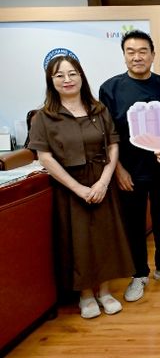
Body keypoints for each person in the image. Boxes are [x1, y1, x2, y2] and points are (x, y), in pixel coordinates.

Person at [28, 55, 134, 319]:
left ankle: (105, 292)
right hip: (69, 186)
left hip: (102, 181)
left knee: (106, 238)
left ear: (81, 77)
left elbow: (113, 146)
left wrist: (104, 182)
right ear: (51, 81)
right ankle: (85, 295)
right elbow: (45, 157)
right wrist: (78, 188)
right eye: (60, 75)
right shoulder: (43, 117)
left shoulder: (98, 109)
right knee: (79, 242)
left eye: (72, 73)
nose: (67, 80)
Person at [99, 30, 160, 304]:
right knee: (134, 223)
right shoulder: (110, 88)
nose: (137, 57)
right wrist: (119, 169)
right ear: (124, 55)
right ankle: (138, 273)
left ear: (152, 55)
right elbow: (107, 135)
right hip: (129, 170)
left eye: (142, 51)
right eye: (131, 52)